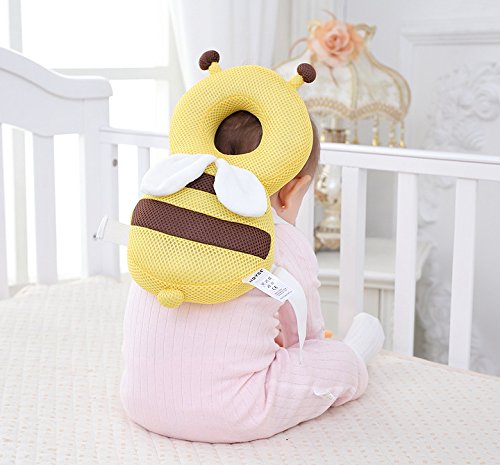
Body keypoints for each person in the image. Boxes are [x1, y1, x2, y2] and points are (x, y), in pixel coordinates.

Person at [120, 111, 385, 443]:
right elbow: (304, 338)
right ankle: (359, 351)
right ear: (292, 190)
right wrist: (318, 349)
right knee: (329, 361)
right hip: (233, 413)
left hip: (140, 401)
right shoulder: (278, 239)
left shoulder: (162, 222)